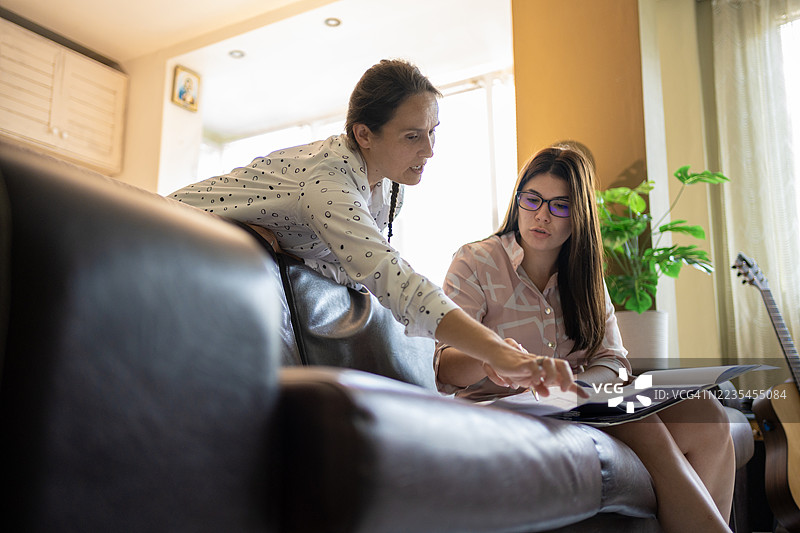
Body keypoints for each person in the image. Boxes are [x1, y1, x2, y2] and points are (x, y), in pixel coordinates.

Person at [170, 59, 583, 397]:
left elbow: (366, 276)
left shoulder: (389, 188)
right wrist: (498, 350)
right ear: (364, 134)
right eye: (412, 136)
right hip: (168, 236)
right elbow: (393, 279)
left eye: (432, 132)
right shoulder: (329, 181)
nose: (429, 150)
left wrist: (485, 357)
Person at [434, 144, 736, 533]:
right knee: (639, 424)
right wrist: (491, 359)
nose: (542, 215)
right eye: (533, 200)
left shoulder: (585, 274)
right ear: (518, 201)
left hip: (579, 404)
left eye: (560, 206)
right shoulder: (474, 261)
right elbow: (442, 365)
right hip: (501, 409)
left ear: (578, 217)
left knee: (707, 413)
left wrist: (580, 389)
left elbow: (613, 359)